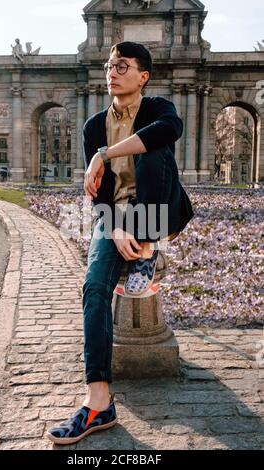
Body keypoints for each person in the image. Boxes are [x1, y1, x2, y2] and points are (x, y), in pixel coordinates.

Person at [47, 41, 194, 445]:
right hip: (116, 219)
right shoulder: (93, 124)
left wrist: (104, 154)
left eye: (123, 66)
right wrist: (113, 226)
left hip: (160, 209)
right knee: (93, 287)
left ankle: (146, 248)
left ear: (143, 76)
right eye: (110, 65)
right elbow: (97, 196)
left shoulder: (160, 108)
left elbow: (169, 131)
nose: (112, 71)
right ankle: (98, 402)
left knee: (153, 146)